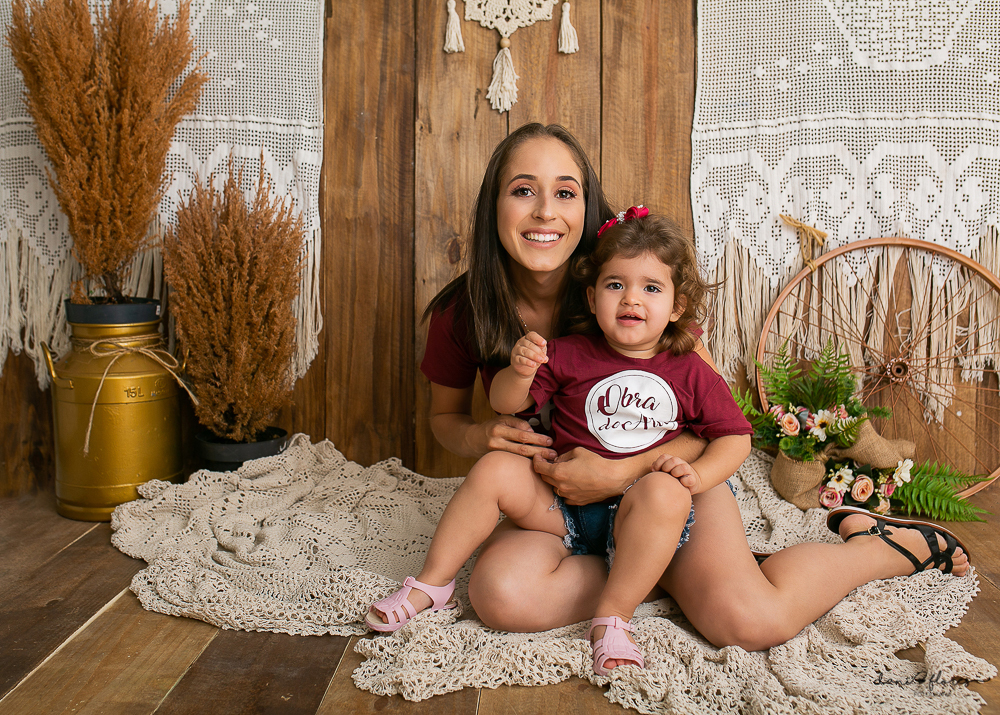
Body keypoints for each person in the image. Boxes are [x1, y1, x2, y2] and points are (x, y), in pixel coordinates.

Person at [370, 122, 970, 658]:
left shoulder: (634, 284)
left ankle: (880, 547)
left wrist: (621, 472)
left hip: (662, 485)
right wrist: (482, 435)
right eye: (523, 190)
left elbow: (713, 425)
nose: (545, 212)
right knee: (500, 596)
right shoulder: (466, 309)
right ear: (493, 205)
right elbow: (446, 420)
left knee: (748, 621)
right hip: (557, 499)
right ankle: (662, 573)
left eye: (565, 192)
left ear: (586, 206)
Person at [367, 207, 753, 676]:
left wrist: (697, 476)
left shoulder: (690, 370)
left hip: (640, 514)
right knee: (495, 467)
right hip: (563, 508)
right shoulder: (569, 353)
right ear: (591, 298)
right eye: (615, 285)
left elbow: (735, 436)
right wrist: (519, 369)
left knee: (665, 492)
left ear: (676, 308)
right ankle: (433, 584)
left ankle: (613, 617)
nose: (632, 299)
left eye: (651, 288)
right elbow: (507, 403)